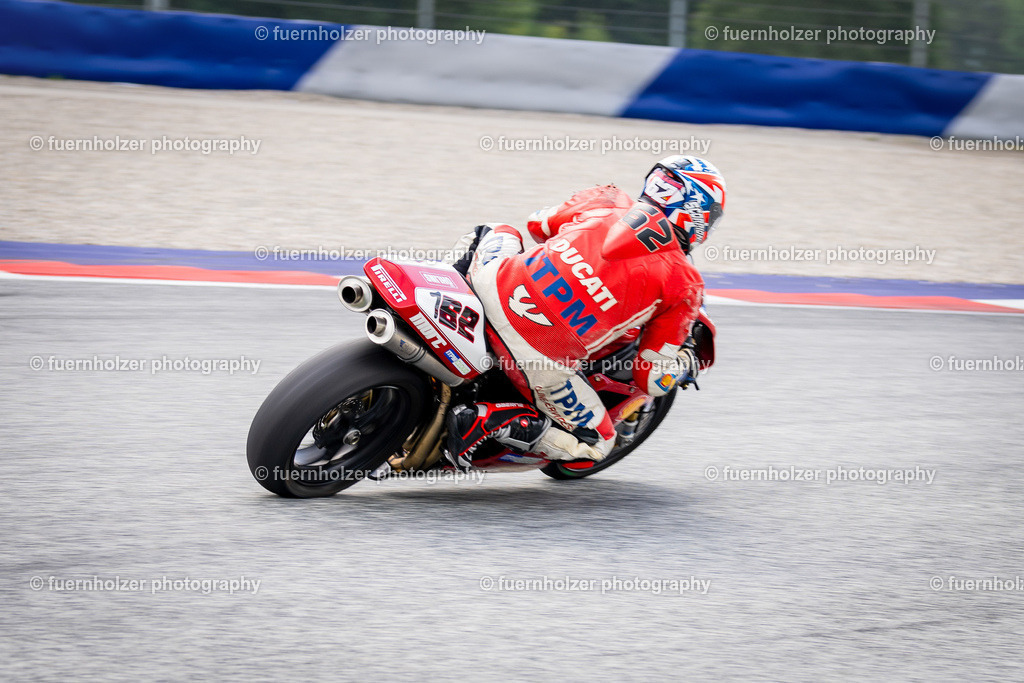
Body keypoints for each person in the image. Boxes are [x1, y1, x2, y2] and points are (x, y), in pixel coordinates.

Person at [444, 155, 725, 468]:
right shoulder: (686, 283)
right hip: (535, 356)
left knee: (498, 230)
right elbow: (650, 378)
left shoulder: (608, 199)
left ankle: (439, 289)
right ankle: (487, 421)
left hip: (491, 285)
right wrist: (684, 365)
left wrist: (575, 249)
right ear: (699, 215)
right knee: (596, 446)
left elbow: (538, 224)